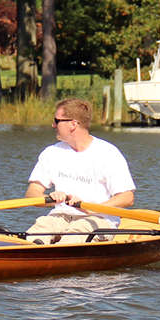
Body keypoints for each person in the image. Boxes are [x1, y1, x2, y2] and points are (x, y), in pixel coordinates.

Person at [25, 98, 135, 245]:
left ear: (73, 124)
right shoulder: (51, 152)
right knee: (36, 233)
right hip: (60, 216)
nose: (53, 125)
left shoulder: (108, 153)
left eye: (57, 121)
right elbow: (31, 194)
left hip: (98, 218)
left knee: (74, 236)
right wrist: (51, 199)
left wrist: (93, 209)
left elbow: (127, 198)